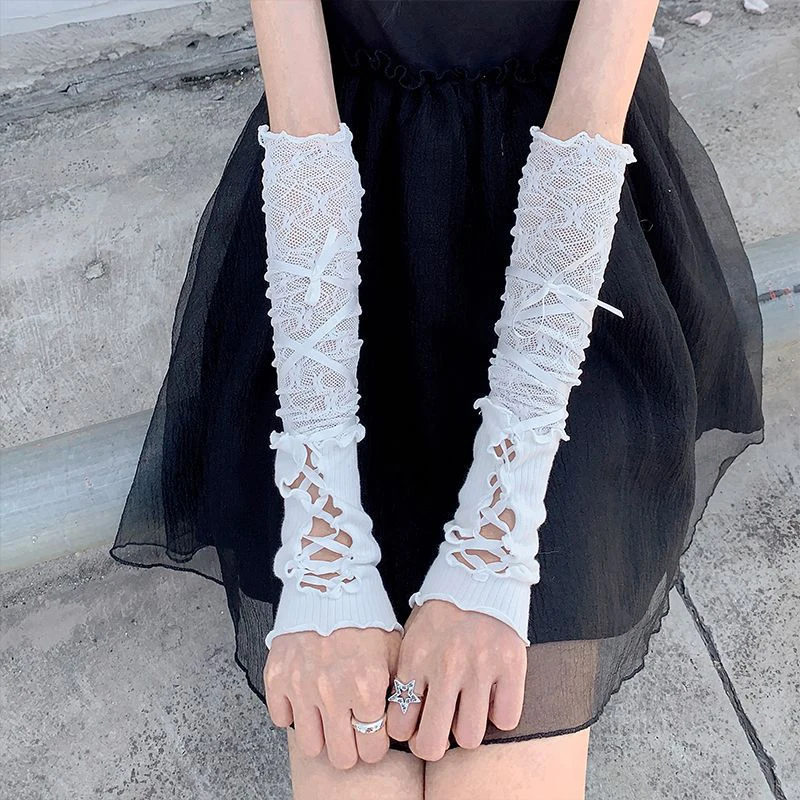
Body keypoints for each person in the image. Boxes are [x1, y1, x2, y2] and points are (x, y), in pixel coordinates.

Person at [110, 1, 766, 797]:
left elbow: (588, 123)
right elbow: (304, 124)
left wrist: (496, 538)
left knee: (494, 748)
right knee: (359, 758)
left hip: (568, 227)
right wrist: (325, 546)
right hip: (342, 222)